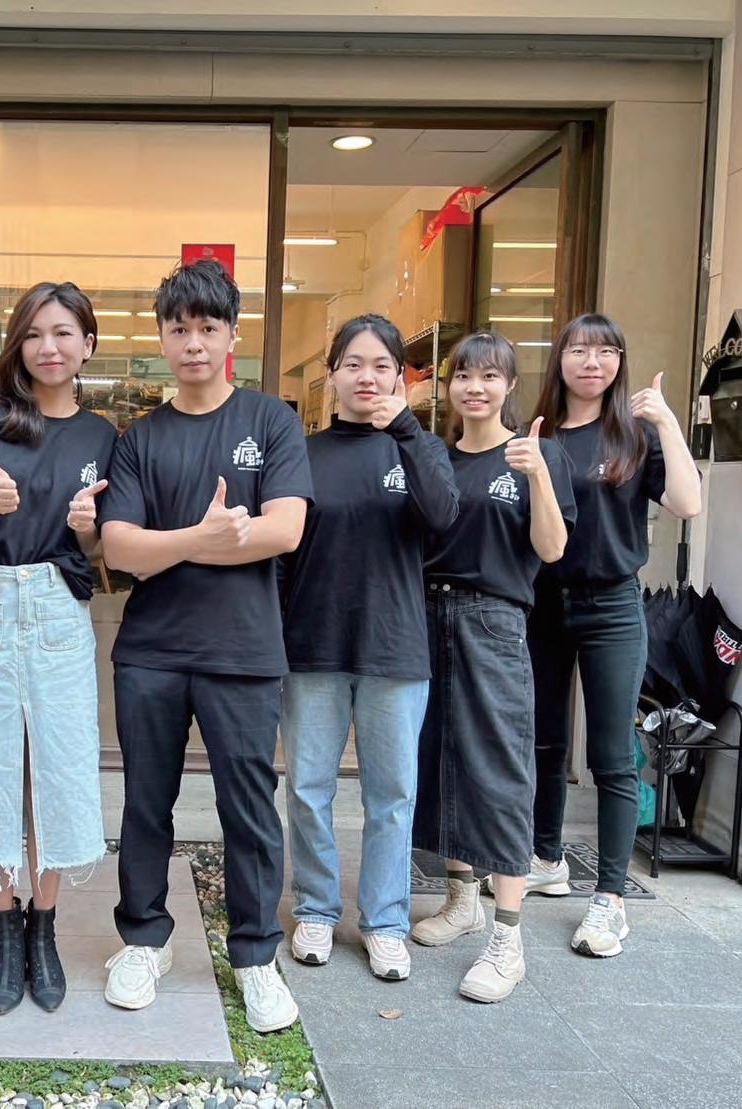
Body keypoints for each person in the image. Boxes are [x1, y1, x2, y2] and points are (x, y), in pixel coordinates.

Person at [98, 259, 312, 1034]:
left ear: (231, 334)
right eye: (178, 328)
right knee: (144, 801)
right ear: (161, 337)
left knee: (248, 807)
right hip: (151, 651)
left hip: (243, 652)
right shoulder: (140, 438)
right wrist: (205, 535)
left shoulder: (270, 421)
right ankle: (143, 939)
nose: (192, 343)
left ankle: (254, 955)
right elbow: (119, 549)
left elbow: (284, 529)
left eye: (207, 328)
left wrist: (172, 545)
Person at [0, 281, 118, 1014]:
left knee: (57, 769)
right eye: (35, 333)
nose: (49, 347)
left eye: (64, 332)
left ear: (87, 345)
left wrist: (85, 531)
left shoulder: (101, 435)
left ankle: (45, 928)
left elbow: (103, 553)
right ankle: (5, 929)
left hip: (58, 610)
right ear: (17, 343)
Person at [278, 314, 458, 980]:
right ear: (331, 375)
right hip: (313, 643)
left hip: (394, 645)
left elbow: (443, 517)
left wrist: (405, 430)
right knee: (308, 788)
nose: (367, 377)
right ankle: (316, 908)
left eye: (382, 365)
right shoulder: (302, 453)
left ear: (401, 377)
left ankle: (384, 921)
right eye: (353, 364)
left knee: (392, 794)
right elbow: (282, 554)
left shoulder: (420, 446)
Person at [524, 313, 702, 957]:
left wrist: (668, 424)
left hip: (611, 608)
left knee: (611, 758)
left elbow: (687, 503)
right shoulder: (540, 433)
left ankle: (609, 899)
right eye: (579, 350)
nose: (591, 362)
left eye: (605, 351)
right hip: (544, 605)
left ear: (620, 362)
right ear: (561, 360)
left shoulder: (634, 435)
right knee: (544, 742)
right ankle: (546, 859)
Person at [411, 331, 576, 1003]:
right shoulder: (438, 458)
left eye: (488, 376)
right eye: (463, 375)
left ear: (509, 385)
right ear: (447, 386)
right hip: (427, 616)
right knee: (442, 758)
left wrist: (535, 475)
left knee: (501, 770)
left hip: (495, 620)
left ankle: (508, 936)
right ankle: (461, 899)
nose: (474, 387)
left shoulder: (537, 454)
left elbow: (552, 548)